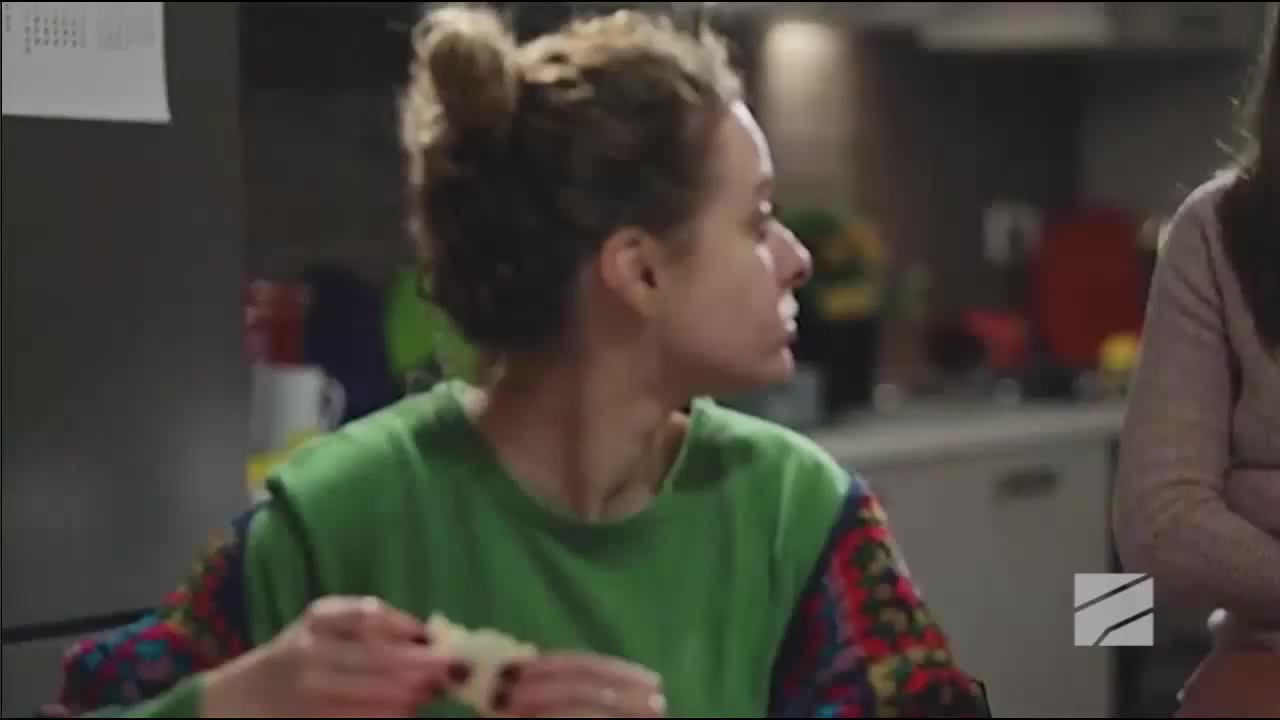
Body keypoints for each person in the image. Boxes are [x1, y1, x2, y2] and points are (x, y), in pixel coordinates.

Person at [44, 4, 987, 718]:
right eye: (757, 219)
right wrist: (238, 704)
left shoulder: (800, 521)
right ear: (640, 270)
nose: (797, 256)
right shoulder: (336, 520)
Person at [1112, 0, 1279, 706]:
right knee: (1112, 633)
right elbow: (1158, 522)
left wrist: (1252, 494)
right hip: (1254, 671)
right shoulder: (1216, 228)